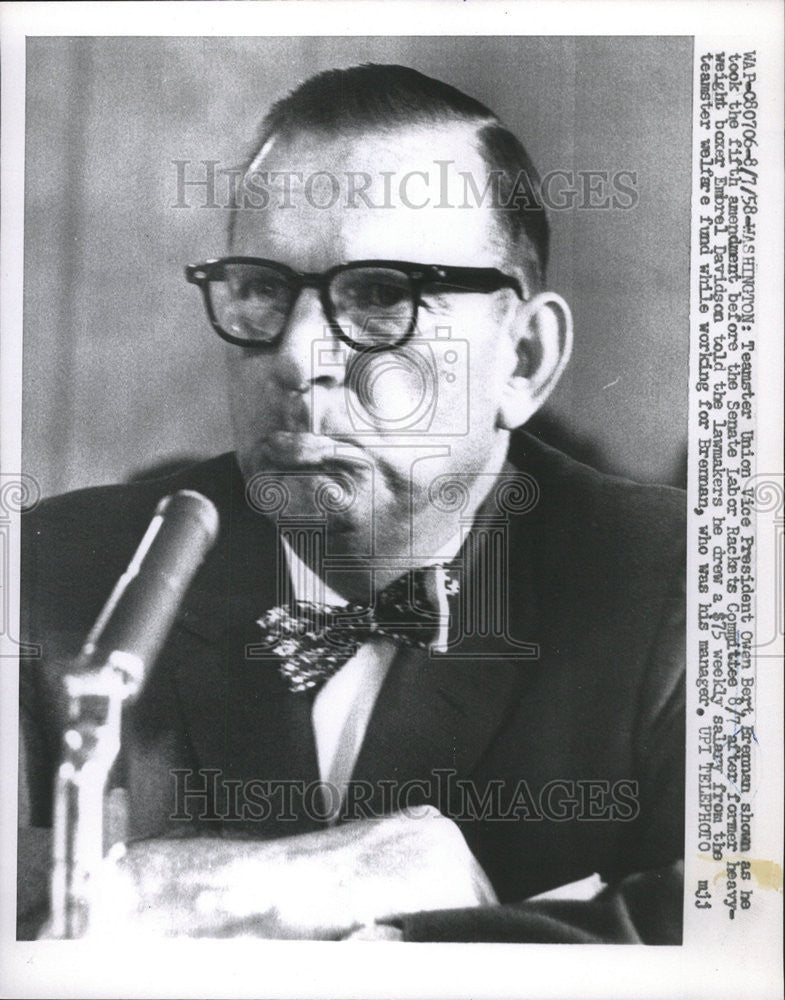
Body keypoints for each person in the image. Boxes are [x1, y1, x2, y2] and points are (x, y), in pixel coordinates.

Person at [17, 64, 685, 942]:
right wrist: (256, 884)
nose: (297, 357)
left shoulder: (684, 587)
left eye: (379, 297)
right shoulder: (56, 574)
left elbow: (744, 929)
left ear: (521, 359)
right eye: (259, 287)